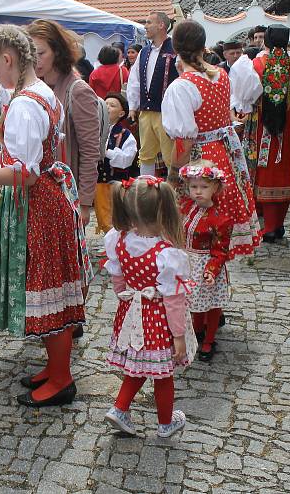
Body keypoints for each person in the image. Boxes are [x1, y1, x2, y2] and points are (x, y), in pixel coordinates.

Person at [0, 24, 89, 407]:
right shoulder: (41, 92)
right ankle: (55, 366)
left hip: (39, 206)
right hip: (47, 197)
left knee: (48, 290)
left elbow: (26, 173)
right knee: (48, 289)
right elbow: (33, 157)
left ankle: (62, 378)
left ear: (9, 59)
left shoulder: (26, 103)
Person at [102, 175, 191, 437]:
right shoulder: (166, 254)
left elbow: (118, 281)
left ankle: (120, 408)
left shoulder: (119, 241)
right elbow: (174, 301)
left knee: (139, 366)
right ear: (164, 209)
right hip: (157, 321)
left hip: (131, 315)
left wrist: (126, 297)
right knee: (163, 375)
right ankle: (166, 423)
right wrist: (179, 336)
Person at [163, 20, 260, 256]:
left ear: (175, 49)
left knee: (194, 227)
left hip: (200, 160)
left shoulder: (181, 86)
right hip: (225, 155)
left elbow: (184, 142)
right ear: (203, 45)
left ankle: (194, 281)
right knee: (216, 224)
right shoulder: (221, 74)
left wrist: (173, 177)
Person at [230, 24, 290, 242]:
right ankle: (277, 224)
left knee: (265, 170)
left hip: (261, 126)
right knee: (284, 169)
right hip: (287, 127)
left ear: (266, 41)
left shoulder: (254, 65)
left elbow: (246, 98)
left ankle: (269, 226)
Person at [28, 19, 100, 227]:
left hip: (67, 193)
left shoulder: (78, 90)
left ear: (57, 52)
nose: (35, 60)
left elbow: (90, 151)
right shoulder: (35, 88)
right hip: (39, 193)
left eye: (41, 53)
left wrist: (84, 203)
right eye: (31, 53)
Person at [178, 160, 232, 361]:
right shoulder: (186, 208)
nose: (198, 191)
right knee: (192, 299)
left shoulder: (220, 218)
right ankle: (197, 329)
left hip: (206, 265)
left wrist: (212, 270)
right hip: (189, 261)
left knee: (210, 301)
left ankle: (209, 339)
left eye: (204, 187)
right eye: (193, 187)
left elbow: (220, 250)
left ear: (215, 187)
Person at [127, 12, 179, 176]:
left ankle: (174, 193)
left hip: (167, 112)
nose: (145, 26)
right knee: (146, 154)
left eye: (149, 23)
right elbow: (134, 79)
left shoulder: (175, 50)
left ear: (161, 25)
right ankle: (145, 189)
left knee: (171, 156)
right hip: (146, 112)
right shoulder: (144, 52)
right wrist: (132, 107)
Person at [94, 92, 137, 234]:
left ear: (121, 113)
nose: (107, 107)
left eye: (112, 105)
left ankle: (119, 242)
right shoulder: (94, 130)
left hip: (116, 183)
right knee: (102, 214)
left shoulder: (125, 135)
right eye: (105, 104)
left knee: (118, 214)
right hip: (98, 181)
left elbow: (126, 160)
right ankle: (109, 243)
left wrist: (106, 152)